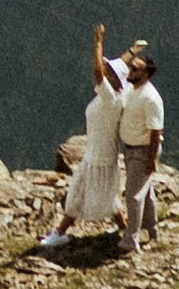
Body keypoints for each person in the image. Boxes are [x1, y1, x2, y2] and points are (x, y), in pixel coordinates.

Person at [41, 48, 121, 253]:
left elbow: (97, 71)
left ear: (117, 80)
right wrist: (131, 52)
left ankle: (59, 233)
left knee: (78, 193)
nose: (106, 73)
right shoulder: (113, 96)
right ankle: (125, 229)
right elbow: (110, 72)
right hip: (98, 153)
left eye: (110, 72)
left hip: (99, 156)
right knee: (109, 195)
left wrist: (98, 42)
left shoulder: (110, 98)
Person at [98, 24, 163, 256]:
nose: (129, 71)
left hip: (143, 150)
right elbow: (111, 68)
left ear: (144, 75)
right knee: (145, 192)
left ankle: (131, 240)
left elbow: (156, 131)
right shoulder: (132, 88)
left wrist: (151, 158)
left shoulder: (151, 98)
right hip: (133, 149)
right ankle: (152, 230)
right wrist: (131, 51)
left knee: (133, 195)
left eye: (134, 69)